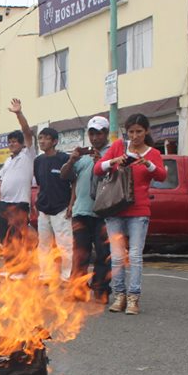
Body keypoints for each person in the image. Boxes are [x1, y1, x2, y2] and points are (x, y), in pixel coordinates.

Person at [95, 113, 167, 315]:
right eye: (131, 132)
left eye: (139, 132)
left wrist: (147, 164)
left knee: (135, 255)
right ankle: (119, 296)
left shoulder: (152, 153)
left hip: (139, 210)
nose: (135, 136)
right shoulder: (118, 146)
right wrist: (114, 160)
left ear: (146, 132)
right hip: (115, 208)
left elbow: (161, 175)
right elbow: (97, 169)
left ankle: (134, 298)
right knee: (117, 257)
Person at [61, 116, 112, 303]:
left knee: (103, 254)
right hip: (81, 212)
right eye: (91, 133)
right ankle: (78, 289)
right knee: (80, 254)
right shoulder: (82, 156)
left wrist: (103, 161)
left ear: (106, 133)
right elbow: (65, 176)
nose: (95, 138)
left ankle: (101, 289)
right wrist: (71, 160)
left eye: (98, 133)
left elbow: (116, 176)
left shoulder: (112, 153)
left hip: (103, 213)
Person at [0, 99, 37, 259]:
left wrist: (18, 113)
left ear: (22, 144)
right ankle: (10, 268)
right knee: (5, 239)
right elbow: (1, 180)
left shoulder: (28, 154)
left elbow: (26, 131)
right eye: (10, 142)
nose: (12, 144)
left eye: (15, 142)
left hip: (19, 203)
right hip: (4, 203)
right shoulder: (8, 160)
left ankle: (20, 269)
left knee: (18, 238)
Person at [33, 127, 73, 283]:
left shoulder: (64, 158)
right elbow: (40, 184)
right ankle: (45, 275)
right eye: (40, 138)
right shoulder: (38, 161)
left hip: (61, 209)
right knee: (43, 245)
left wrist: (71, 205)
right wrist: (37, 202)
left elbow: (73, 182)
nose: (42, 141)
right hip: (43, 209)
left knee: (65, 246)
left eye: (46, 138)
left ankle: (66, 276)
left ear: (55, 141)